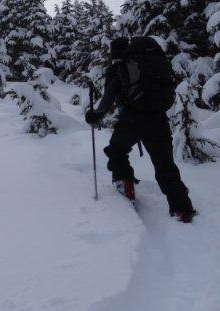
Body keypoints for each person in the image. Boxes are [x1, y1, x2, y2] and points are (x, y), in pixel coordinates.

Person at [84, 36, 196, 223]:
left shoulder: (117, 68)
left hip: (133, 119)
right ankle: (182, 209)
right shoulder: (149, 65)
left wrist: (96, 114)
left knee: (116, 151)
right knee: (165, 164)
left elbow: (109, 97)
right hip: (158, 118)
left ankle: (126, 188)